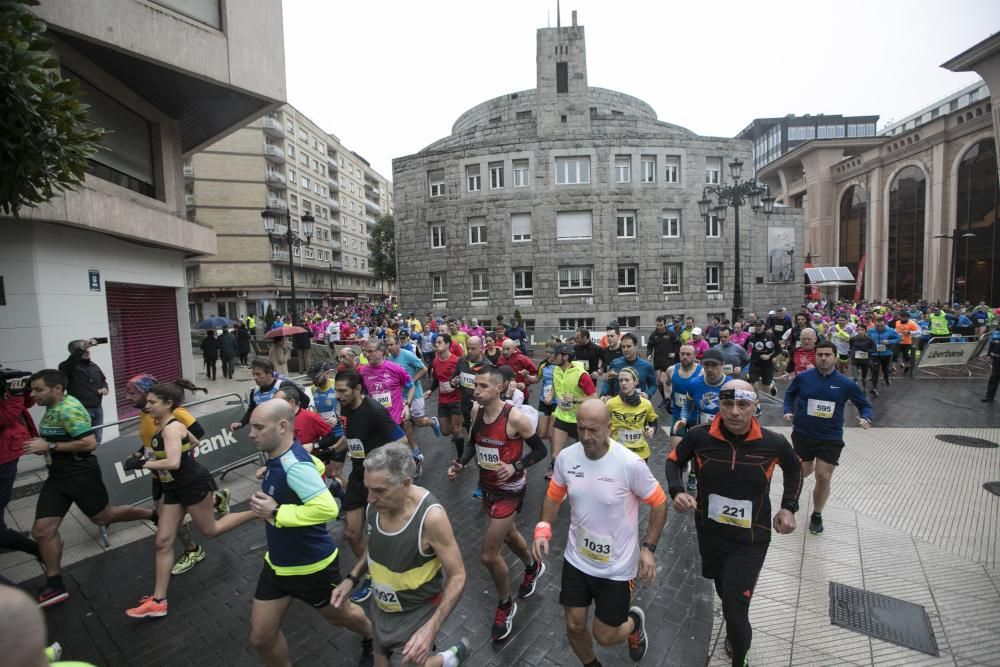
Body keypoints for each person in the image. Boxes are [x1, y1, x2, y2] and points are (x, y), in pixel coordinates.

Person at [667, 380, 802, 667]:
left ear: (755, 406)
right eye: (728, 404)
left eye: (743, 404)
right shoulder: (699, 437)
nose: (735, 412)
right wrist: (677, 491)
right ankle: (733, 626)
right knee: (723, 591)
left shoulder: (773, 442)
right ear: (720, 404)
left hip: (751, 539)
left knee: (735, 606)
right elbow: (673, 461)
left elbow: (794, 469)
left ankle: (740, 658)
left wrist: (788, 508)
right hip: (711, 533)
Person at [533, 399, 667, 666]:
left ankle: (634, 622)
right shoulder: (567, 458)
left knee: (605, 636)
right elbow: (554, 495)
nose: (585, 436)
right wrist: (543, 528)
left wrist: (648, 548)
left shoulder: (629, 464)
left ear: (609, 427)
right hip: (577, 559)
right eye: (581, 429)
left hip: (616, 568)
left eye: (593, 430)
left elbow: (659, 502)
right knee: (574, 625)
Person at [245, 399, 375, 667]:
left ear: (282, 426)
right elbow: (314, 466)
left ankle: (372, 638)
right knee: (261, 638)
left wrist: (276, 513)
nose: (251, 434)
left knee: (341, 616)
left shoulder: (293, 465)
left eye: (258, 427)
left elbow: (327, 509)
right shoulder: (280, 458)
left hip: (311, 568)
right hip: (277, 566)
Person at [123, 382, 258, 618]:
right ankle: (158, 601)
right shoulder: (162, 423)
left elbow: (173, 463)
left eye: (153, 402)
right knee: (163, 541)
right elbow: (194, 441)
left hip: (191, 483)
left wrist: (142, 463)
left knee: (211, 530)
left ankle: (257, 512)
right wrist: (152, 454)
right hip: (172, 487)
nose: (148, 405)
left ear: (168, 404)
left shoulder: (170, 427)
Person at [331, 444, 471, 667]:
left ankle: (442, 659)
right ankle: (446, 660)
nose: (370, 498)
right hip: (380, 610)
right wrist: (352, 578)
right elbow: (375, 547)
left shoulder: (431, 518)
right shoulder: (375, 506)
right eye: (368, 489)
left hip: (416, 615)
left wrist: (430, 628)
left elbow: (458, 576)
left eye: (379, 490)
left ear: (406, 484)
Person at [25, 370, 155, 607]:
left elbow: (89, 443)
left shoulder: (69, 409)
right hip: (57, 476)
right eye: (32, 389)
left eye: (38, 389)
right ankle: (55, 585)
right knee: (42, 531)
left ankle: (153, 515)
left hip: (79, 474)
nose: (33, 395)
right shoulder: (53, 405)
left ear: (56, 389)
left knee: (105, 516)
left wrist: (49, 445)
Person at [447, 366, 548, 642]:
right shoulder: (476, 411)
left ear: (499, 388)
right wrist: (461, 465)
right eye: (475, 385)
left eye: (482, 386)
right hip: (487, 488)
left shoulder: (515, 418)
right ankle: (532, 566)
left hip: (510, 490)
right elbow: (473, 444)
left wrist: (515, 465)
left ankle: (505, 604)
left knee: (489, 555)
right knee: (510, 533)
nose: (475, 390)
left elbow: (541, 451)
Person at [123, 374, 226, 576]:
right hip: (160, 474)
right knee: (169, 519)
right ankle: (214, 502)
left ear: (148, 394)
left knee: (193, 524)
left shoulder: (175, 413)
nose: (127, 397)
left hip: (179, 473)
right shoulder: (147, 413)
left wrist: (177, 451)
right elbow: (154, 439)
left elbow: (197, 432)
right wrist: (139, 453)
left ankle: (193, 549)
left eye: (132, 393)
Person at [783, 341, 873, 535]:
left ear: (835, 357)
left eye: (827, 355)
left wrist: (866, 417)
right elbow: (789, 395)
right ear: (815, 357)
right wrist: (788, 410)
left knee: (823, 476)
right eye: (820, 355)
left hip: (829, 437)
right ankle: (794, 496)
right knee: (802, 471)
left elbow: (864, 404)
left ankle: (817, 514)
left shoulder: (846, 383)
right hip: (803, 433)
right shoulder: (804, 378)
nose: (823, 358)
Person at [334, 370, 407, 605]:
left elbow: (402, 439)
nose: (338, 395)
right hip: (356, 476)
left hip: (376, 481)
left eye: (342, 391)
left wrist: (381, 462)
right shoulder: (345, 407)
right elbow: (350, 437)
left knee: (383, 534)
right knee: (351, 533)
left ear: (357, 390)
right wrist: (328, 450)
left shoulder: (374, 410)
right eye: (336, 390)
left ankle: (393, 573)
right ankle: (372, 575)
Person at [359, 338, 423, 477]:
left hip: (394, 417)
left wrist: (407, 405)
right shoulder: (363, 372)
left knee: (399, 451)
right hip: (375, 419)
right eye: (365, 352)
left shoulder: (395, 368)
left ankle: (412, 462)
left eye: (370, 351)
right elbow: (363, 393)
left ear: (381, 352)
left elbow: (411, 387)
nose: (367, 355)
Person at [673, 349, 732, 496]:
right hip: (703, 432)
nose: (710, 369)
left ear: (722, 365)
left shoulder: (731, 385)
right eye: (706, 365)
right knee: (699, 463)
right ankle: (698, 486)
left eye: (714, 365)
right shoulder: (695, 384)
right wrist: (683, 418)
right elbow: (687, 405)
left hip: (725, 435)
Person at [0, 371, 40, 558]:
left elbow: (24, 405)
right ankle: (5, 538)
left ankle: (3, 534)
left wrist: (22, 391)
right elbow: (4, 417)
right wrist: (15, 397)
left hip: (8, 453)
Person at [549, 343, 598, 479]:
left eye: (556, 355)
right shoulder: (556, 370)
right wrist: (550, 395)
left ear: (565, 357)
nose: (553, 357)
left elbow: (595, 397)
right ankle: (562, 482)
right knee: (555, 456)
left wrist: (575, 399)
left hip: (579, 421)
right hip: (562, 417)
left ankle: (582, 480)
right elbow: (556, 384)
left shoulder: (581, 375)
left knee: (584, 457)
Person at [386, 336, 442, 443]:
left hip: (415, 393)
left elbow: (424, 369)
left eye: (391, 345)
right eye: (387, 345)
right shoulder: (389, 359)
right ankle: (413, 449)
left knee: (419, 422)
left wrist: (410, 381)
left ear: (398, 344)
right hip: (400, 396)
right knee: (404, 421)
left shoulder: (407, 355)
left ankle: (432, 422)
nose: (389, 347)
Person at [230, 359, 304, 434]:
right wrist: (241, 423)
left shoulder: (283, 385)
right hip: (269, 435)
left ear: (269, 373)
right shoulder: (254, 392)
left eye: (258, 374)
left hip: (287, 433)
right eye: (253, 374)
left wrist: (295, 421)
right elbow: (252, 410)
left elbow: (305, 400)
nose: (255, 378)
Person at [58, 338, 109, 442]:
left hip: (97, 409)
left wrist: (105, 388)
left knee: (97, 439)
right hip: (80, 411)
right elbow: (69, 364)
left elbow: (103, 380)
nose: (87, 351)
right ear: (74, 352)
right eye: (84, 348)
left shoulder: (93, 365)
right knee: (83, 440)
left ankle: (93, 458)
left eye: (88, 348)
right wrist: (82, 348)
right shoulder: (66, 367)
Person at [604, 367, 658, 462]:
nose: (623, 383)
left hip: (640, 454)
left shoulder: (645, 403)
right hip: (617, 453)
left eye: (627, 380)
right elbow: (603, 426)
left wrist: (652, 430)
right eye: (621, 380)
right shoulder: (611, 403)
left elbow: (653, 422)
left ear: (635, 382)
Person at [662, 344, 703, 453]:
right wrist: (667, 397)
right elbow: (667, 383)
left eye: (688, 354)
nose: (685, 357)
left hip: (696, 418)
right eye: (682, 354)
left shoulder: (702, 372)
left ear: (694, 356)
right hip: (678, 416)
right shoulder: (671, 370)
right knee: (676, 454)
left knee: (697, 454)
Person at [600, 333, 656, 398]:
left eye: (628, 346)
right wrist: (603, 395)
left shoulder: (647, 366)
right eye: (623, 347)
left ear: (636, 346)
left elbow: (653, 385)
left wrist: (648, 394)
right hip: (618, 405)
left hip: (638, 404)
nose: (625, 349)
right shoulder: (614, 363)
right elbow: (608, 381)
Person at [647, 316, 678, 406]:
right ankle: (666, 398)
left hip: (668, 360)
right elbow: (649, 346)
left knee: (663, 379)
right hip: (657, 360)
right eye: (657, 325)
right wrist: (649, 354)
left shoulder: (671, 333)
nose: (659, 327)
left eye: (661, 325)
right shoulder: (653, 334)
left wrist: (675, 353)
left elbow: (678, 344)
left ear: (665, 324)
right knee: (658, 381)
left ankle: (667, 399)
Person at [745, 320, 779, 397]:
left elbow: (778, 350)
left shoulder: (770, 336)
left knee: (766, 389)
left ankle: (772, 384)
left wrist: (769, 356)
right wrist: (749, 353)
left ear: (763, 326)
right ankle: (757, 404)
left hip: (767, 365)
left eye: (760, 325)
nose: (758, 327)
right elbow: (747, 348)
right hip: (755, 364)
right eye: (756, 325)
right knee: (755, 385)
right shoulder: (751, 337)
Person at [867, 319, 900, 392]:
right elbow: (867, 339)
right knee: (875, 370)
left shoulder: (891, 330)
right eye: (877, 326)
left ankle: (886, 377)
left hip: (886, 353)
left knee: (885, 369)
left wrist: (889, 341)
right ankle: (874, 388)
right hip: (875, 354)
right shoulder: (871, 330)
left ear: (885, 324)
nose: (879, 328)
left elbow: (898, 338)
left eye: (881, 326)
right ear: (875, 325)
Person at [984, 320, 1000, 402]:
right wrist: (988, 355)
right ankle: (989, 397)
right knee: (994, 378)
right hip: (997, 359)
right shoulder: (995, 333)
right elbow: (991, 344)